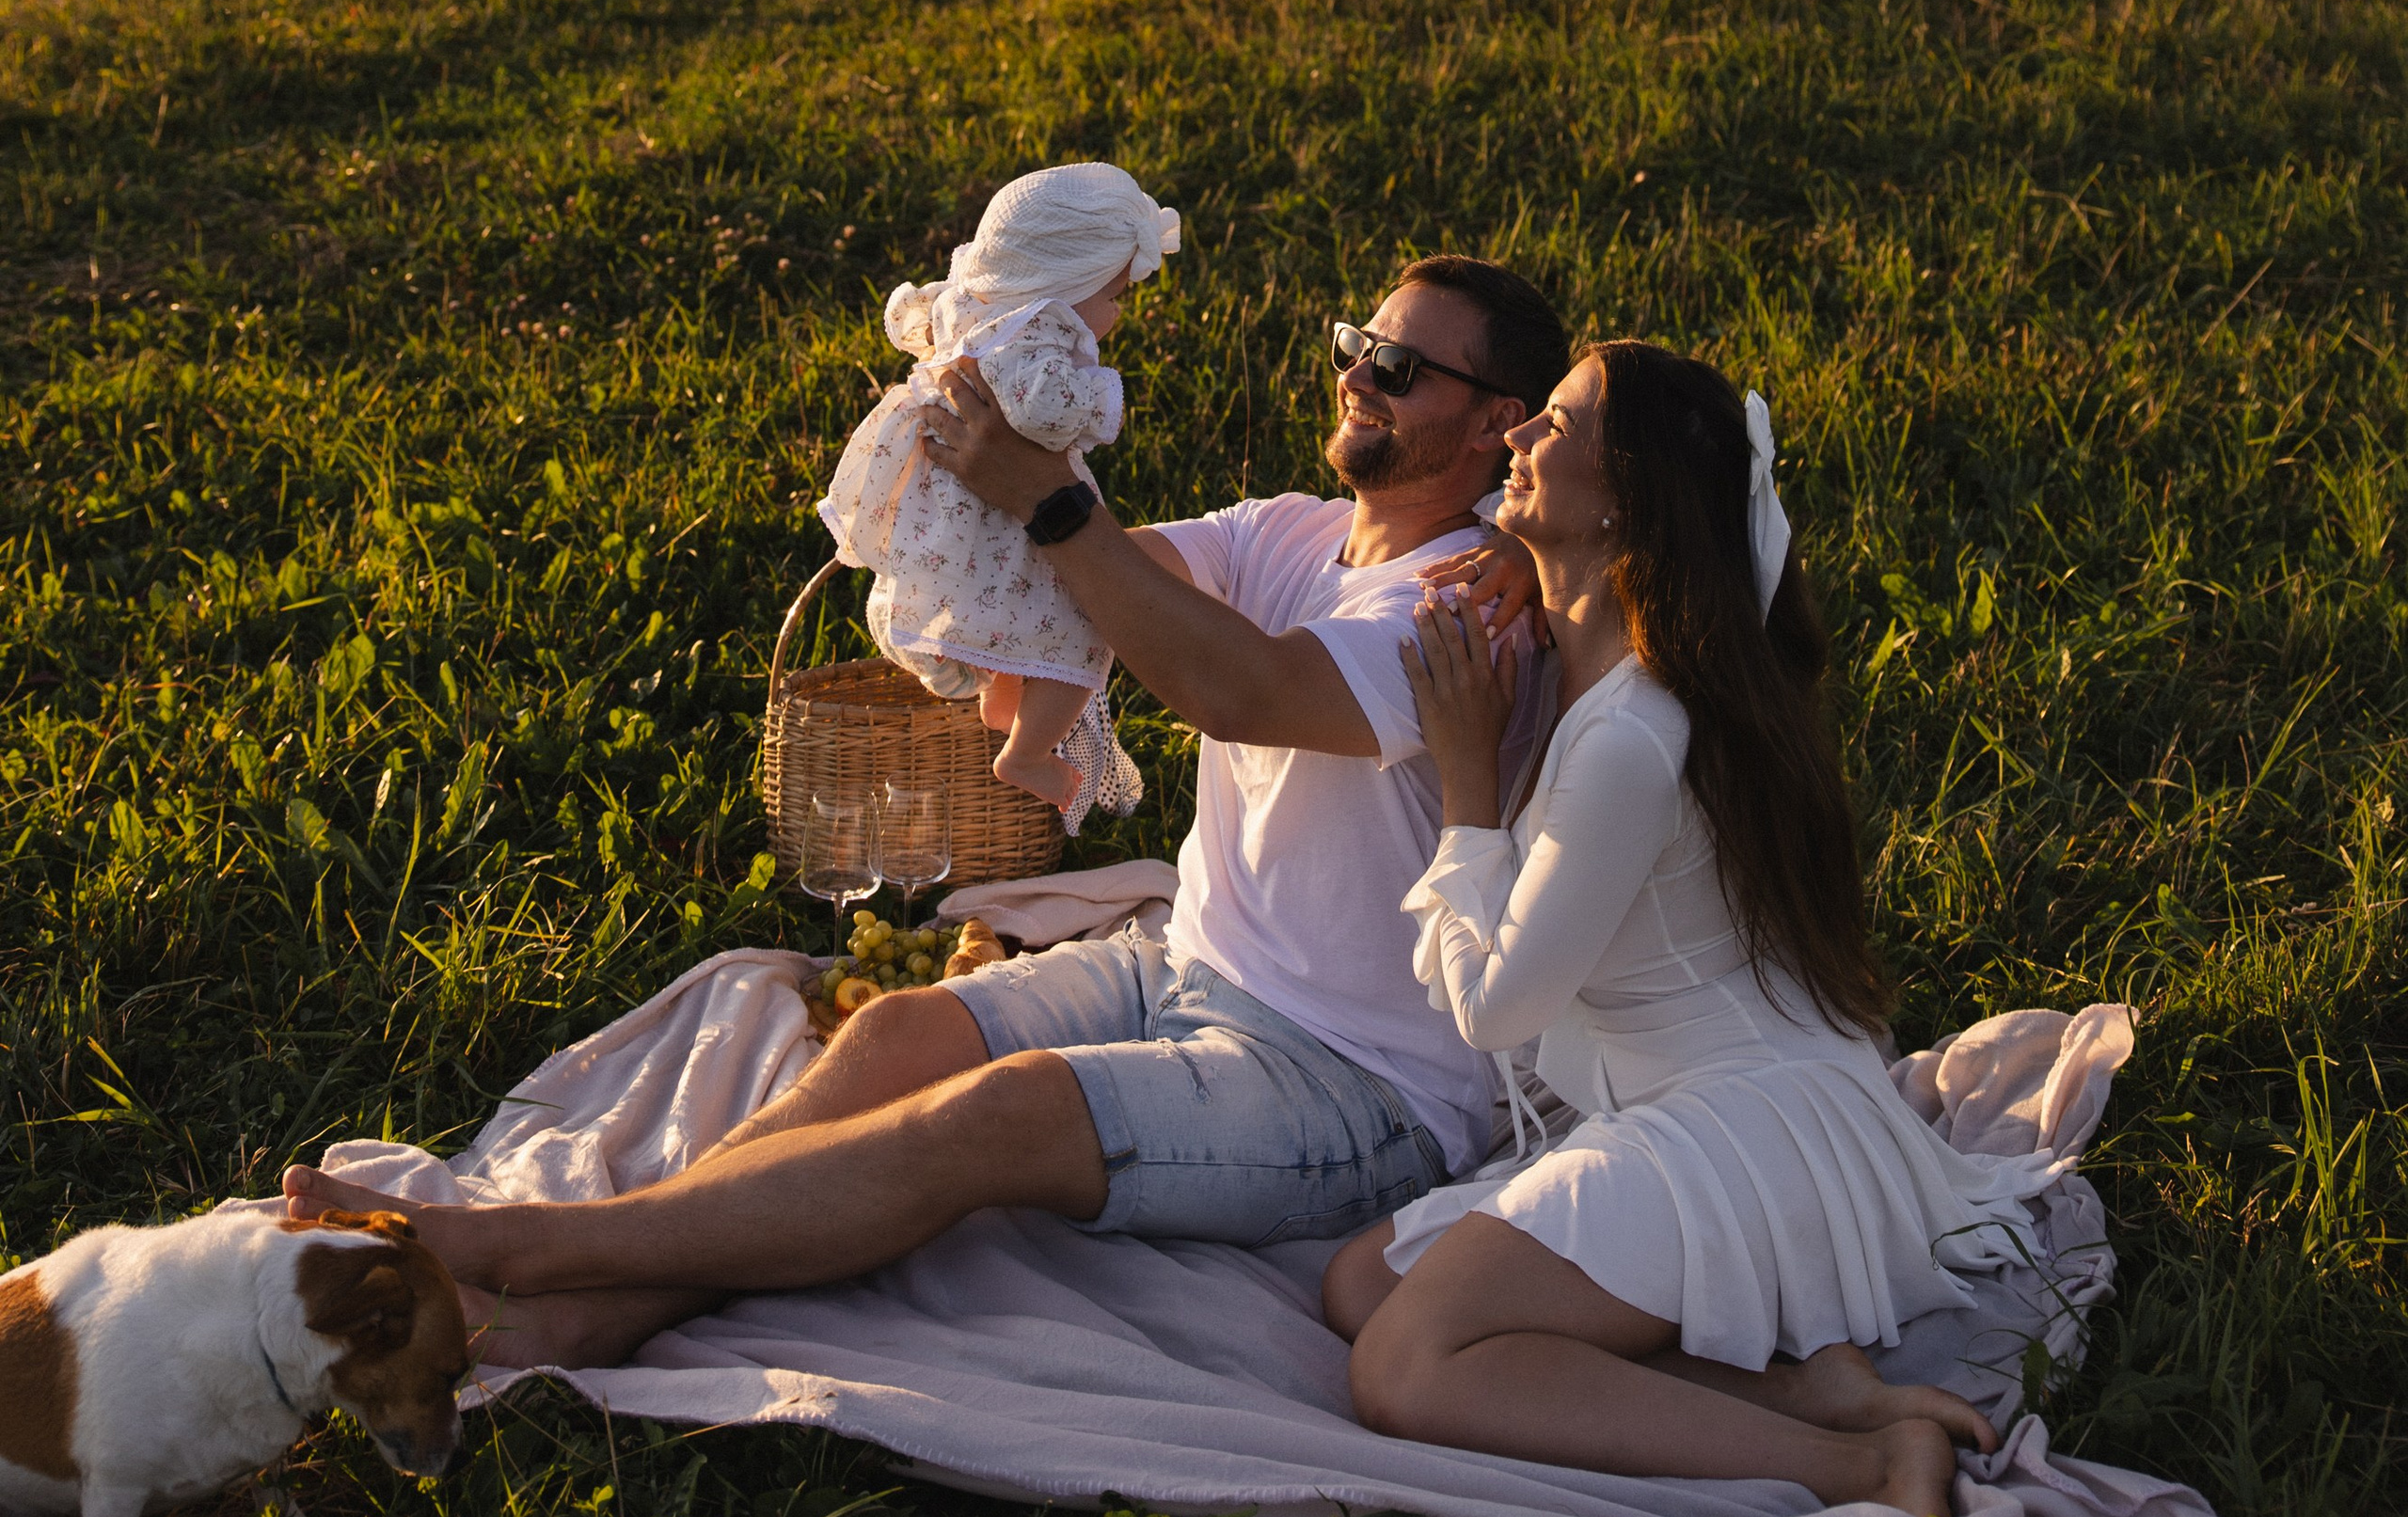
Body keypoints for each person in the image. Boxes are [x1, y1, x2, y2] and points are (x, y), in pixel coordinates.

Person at [285, 257, 1570, 1369]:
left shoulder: (1463, 607)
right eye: (1359, 344)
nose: (1358, 374)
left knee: (987, 1124)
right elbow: (1082, 592)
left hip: (1355, 1087)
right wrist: (1002, 386)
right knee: (900, 1038)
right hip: (1192, 967)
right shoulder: (1286, 531)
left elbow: (1239, 689)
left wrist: (1053, 499)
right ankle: (592, 1312)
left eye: (1399, 365)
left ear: (1497, 423)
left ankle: (506, 1248)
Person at [1321, 340, 2058, 1517]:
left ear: (1626, 497)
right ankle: (1797, 1395)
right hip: (1745, 1103)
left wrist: (1466, 786)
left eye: (1551, 427)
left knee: (1404, 1361)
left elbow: (1495, 1010)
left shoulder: (1632, 730)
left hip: (1741, 1130)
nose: (1513, 439)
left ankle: (1859, 1467)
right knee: (1366, 1282)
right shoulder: (1623, 670)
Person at [817, 163, 1177, 820]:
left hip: (958, 518)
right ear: (1072, 284)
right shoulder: (1037, 332)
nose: (1118, 312)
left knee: (1025, 620)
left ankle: (1006, 697)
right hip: (997, 522)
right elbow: (1043, 411)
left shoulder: (977, 308)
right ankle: (1027, 753)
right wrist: (1099, 392)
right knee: (1086, 627)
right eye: (1116, 294)